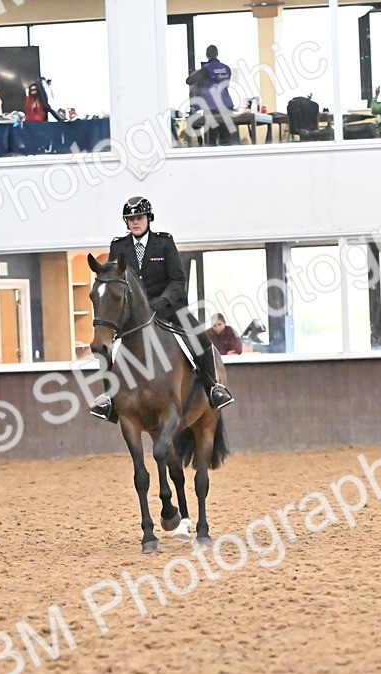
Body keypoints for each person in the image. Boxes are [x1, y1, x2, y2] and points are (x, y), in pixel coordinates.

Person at [90, 196, 235, 423]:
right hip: (133, 316)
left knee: (201, 340)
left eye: (138, 218)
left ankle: (213, 389)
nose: (134, 222)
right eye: (130, 219)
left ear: (148, 219)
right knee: (103, 347)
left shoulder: (164, 242)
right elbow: (114, 281)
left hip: (169, 308)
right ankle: (110, 399)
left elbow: (178, 280)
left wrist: (160, 303)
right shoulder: (118, 246)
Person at [186, 45, 236, 146]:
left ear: (207, 55)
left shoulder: (206, 69)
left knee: (212, 139)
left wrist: (197, 75)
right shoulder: (226, 68)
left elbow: (189, 80)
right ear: (217, 54)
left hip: (212, 108)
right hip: (226, 105)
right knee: (226, 138)